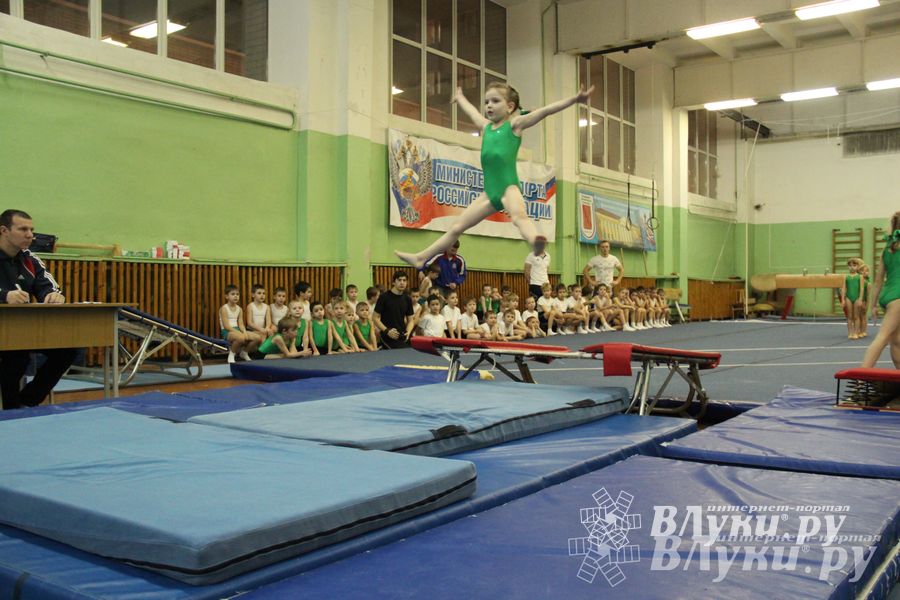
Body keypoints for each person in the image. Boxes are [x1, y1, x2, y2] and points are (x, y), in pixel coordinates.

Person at [396, 82, 593, 267]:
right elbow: (472, 112)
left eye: (495, 101)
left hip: (508, 188)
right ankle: (421, 258)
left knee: (519, 217)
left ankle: (535, 242)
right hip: (489, 194)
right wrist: (460, 97)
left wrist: (574, 99)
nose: (489, 105)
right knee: (456, 228)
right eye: (487, 102)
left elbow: (545, 111)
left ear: (509, 106)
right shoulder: (486, 128)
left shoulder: (515, 126)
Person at [0, 209, 77, 409]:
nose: (30, 235)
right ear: (4, 231)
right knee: (16, 354)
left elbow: (48, 285)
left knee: (67, 350)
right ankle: (10, 407)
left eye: (32, 230)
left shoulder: (30, 259)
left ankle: (28, 400)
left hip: (22, 330)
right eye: (23, 229)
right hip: (7, 336)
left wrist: (53, 295)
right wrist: (4, 296)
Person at [862, 212, 900, 368]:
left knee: (897, 341)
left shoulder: (888, 249)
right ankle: (860, 379)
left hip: (887, 295)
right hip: (898, 296)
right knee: (883, 337)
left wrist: (874, 304)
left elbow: (878, 280)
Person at [373, 270, 416, 349]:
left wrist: (408, 332)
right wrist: (387, 331)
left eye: (404, 280)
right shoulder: (384, 297)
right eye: (399, 280)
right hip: (387, 336)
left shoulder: (407, 299)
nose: (402, 283)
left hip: (402, 335)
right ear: (393, 282)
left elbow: (411, 320)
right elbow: (375, 317)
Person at [219, 284, 256, 363]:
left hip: (237, 330)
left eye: (237, 294)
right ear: (226, 296)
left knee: (257, 338)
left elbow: (241, 323)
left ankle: (244, 352)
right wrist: (239, 333)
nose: (235, 296)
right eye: (233, 294)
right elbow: (226, 326)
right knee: (241, 338)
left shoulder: (239, 309)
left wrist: (244, 332)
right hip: (227, 331)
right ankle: (232, 354)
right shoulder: (224, 309)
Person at [841, 258, 866, 340]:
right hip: (848, 297)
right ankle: (850, 332)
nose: (852, 267)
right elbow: (844, 288)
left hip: (856, 298)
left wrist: (860, 299)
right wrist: (843, 300)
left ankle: (856, 332)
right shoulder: (846, 277)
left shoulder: (860, 277)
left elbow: (862, 289)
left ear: (857, 266)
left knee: (856, 316)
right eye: (850, 266)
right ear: (848, 267)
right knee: (849, 316)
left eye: (854, 265)